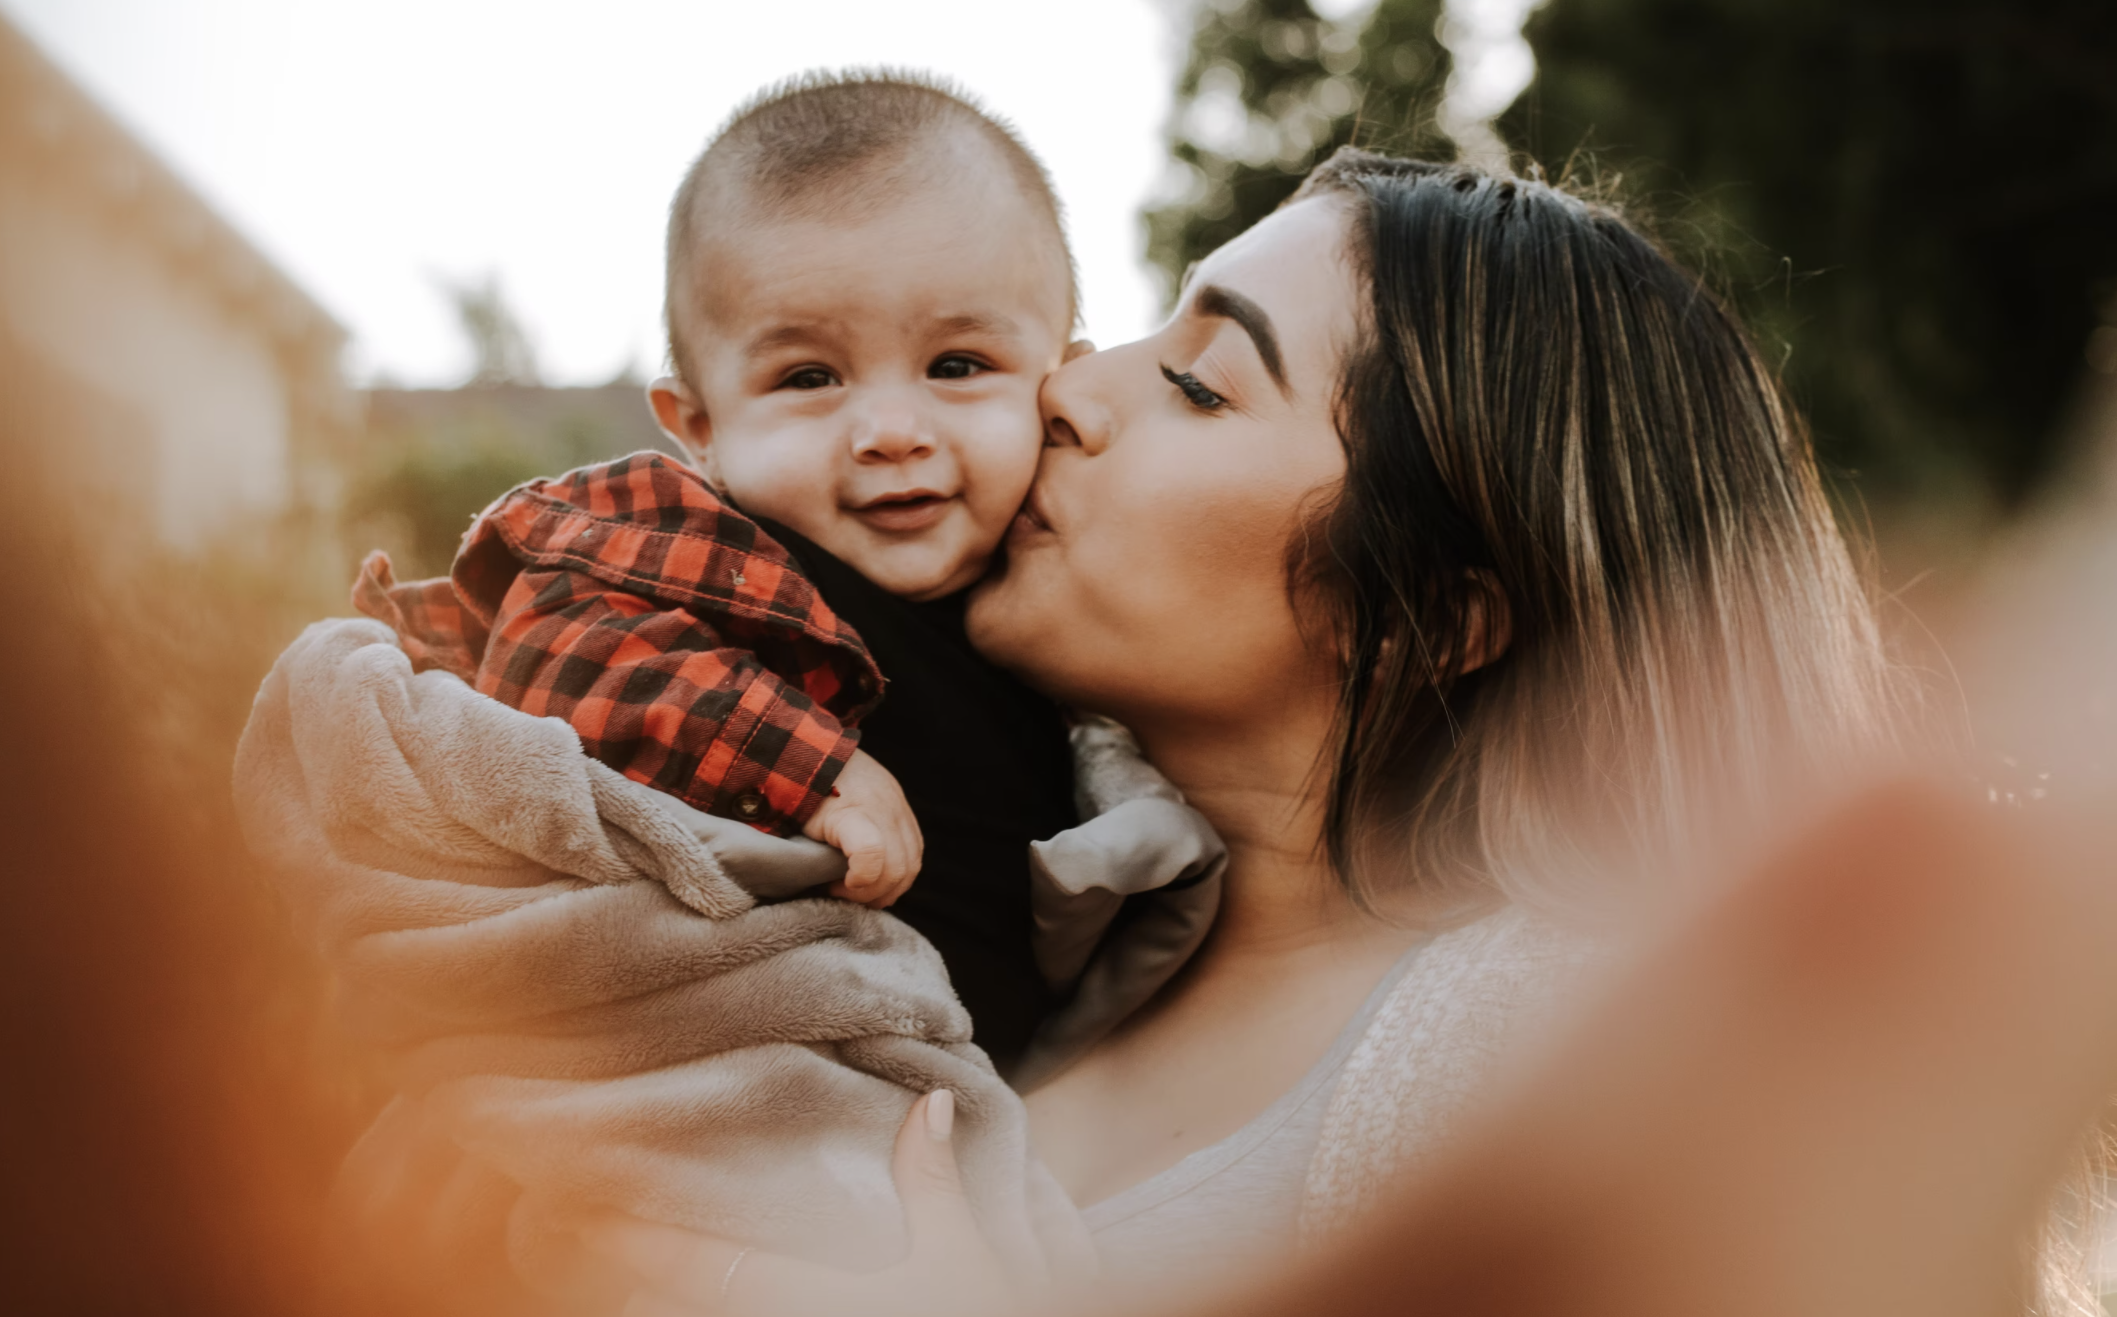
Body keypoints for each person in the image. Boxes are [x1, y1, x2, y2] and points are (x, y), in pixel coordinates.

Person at [592, 146, 1901, 1303]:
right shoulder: (1047, 925)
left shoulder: (1552, 1053)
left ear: (1430, 615)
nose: (1066, 388)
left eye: (1200, 385)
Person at [351, 71, 1086, 1065]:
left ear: (1066, 380)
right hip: (728, 1079)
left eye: (957, 365)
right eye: (808, 378)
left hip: (990, 1110)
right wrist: (801, 766)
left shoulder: (1074, 587)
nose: (890, 432)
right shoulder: (708, 547)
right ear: (699, 429)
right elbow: (558, 647)